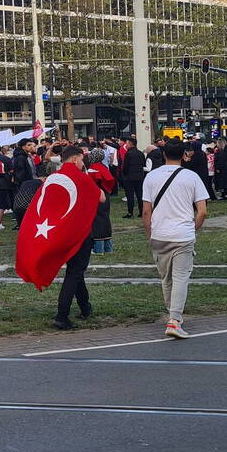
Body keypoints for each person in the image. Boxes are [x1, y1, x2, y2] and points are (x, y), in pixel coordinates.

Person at [142, 138, 209, 339]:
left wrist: (149, 233)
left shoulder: (151, 177)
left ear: (164, 154)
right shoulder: (192, 177)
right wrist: (192, 228)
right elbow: (202, 211)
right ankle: (175, 319)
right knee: (181, 277)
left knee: (166, 278)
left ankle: (172, 314)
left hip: (159, 233)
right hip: (183, 234)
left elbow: (146, 211)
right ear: (184, 155)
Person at [51, 147, 107, 330]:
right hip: (79, 233)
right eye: (82, 160)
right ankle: (62, 314)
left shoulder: (54, 178)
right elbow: (102, 198)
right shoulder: (80, 177)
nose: (84, 163)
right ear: (75, 159)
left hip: (59, 232)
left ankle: (85, 306)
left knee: (75, 270)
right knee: (74, 272)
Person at [119, 136, 145, 218]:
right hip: (140, 177)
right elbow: (143, 164)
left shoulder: (128, 153)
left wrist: (124, 174)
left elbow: (125, 166)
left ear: (130, 144)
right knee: (140, 195)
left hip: (129, 177)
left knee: (130, 196)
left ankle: (130, 213)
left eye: (127, 143)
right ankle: (141, 212)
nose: (126, 145)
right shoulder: (140, 153)